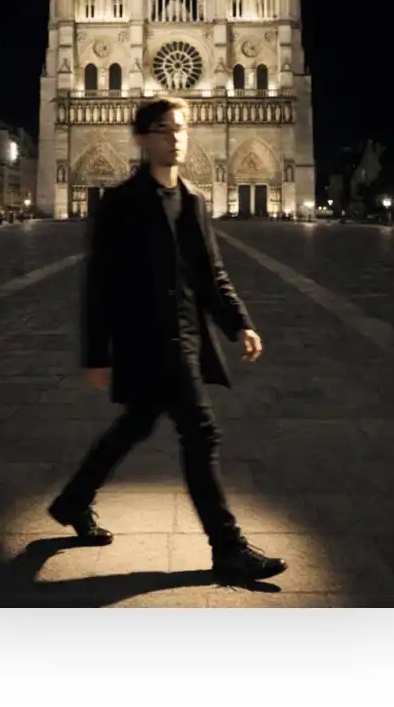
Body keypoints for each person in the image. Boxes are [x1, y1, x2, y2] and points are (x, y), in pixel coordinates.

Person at [47, 96, 287, 583]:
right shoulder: (119, 204)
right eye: (162, 129)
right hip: (145, 339)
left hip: (186, 336)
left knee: (135, 425)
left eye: (179, 128)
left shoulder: (195, 200)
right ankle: (229, 548)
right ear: (141, 138)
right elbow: (100, 285)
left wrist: (240, 322)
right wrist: (97, 354)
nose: (174, 137)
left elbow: (211, 273)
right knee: (202, 432)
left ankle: (73, 500)